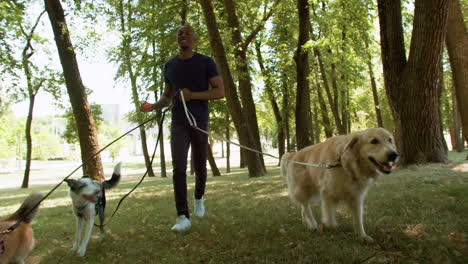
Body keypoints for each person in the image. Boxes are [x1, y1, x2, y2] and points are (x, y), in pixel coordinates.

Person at [140, 25, 225, 232]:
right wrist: (153, 106)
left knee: (199, 166)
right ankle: (182, 216)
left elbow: (220, 91)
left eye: (187, 33)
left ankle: (199, 197)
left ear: (194, 40)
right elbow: (168, 96)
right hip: (178, 121)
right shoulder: (169, 66)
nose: (183, 36)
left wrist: (193, 95)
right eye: (179, 34)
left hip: (199, 120)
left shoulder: (205, 62)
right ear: (177, 40)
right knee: (178, 167)